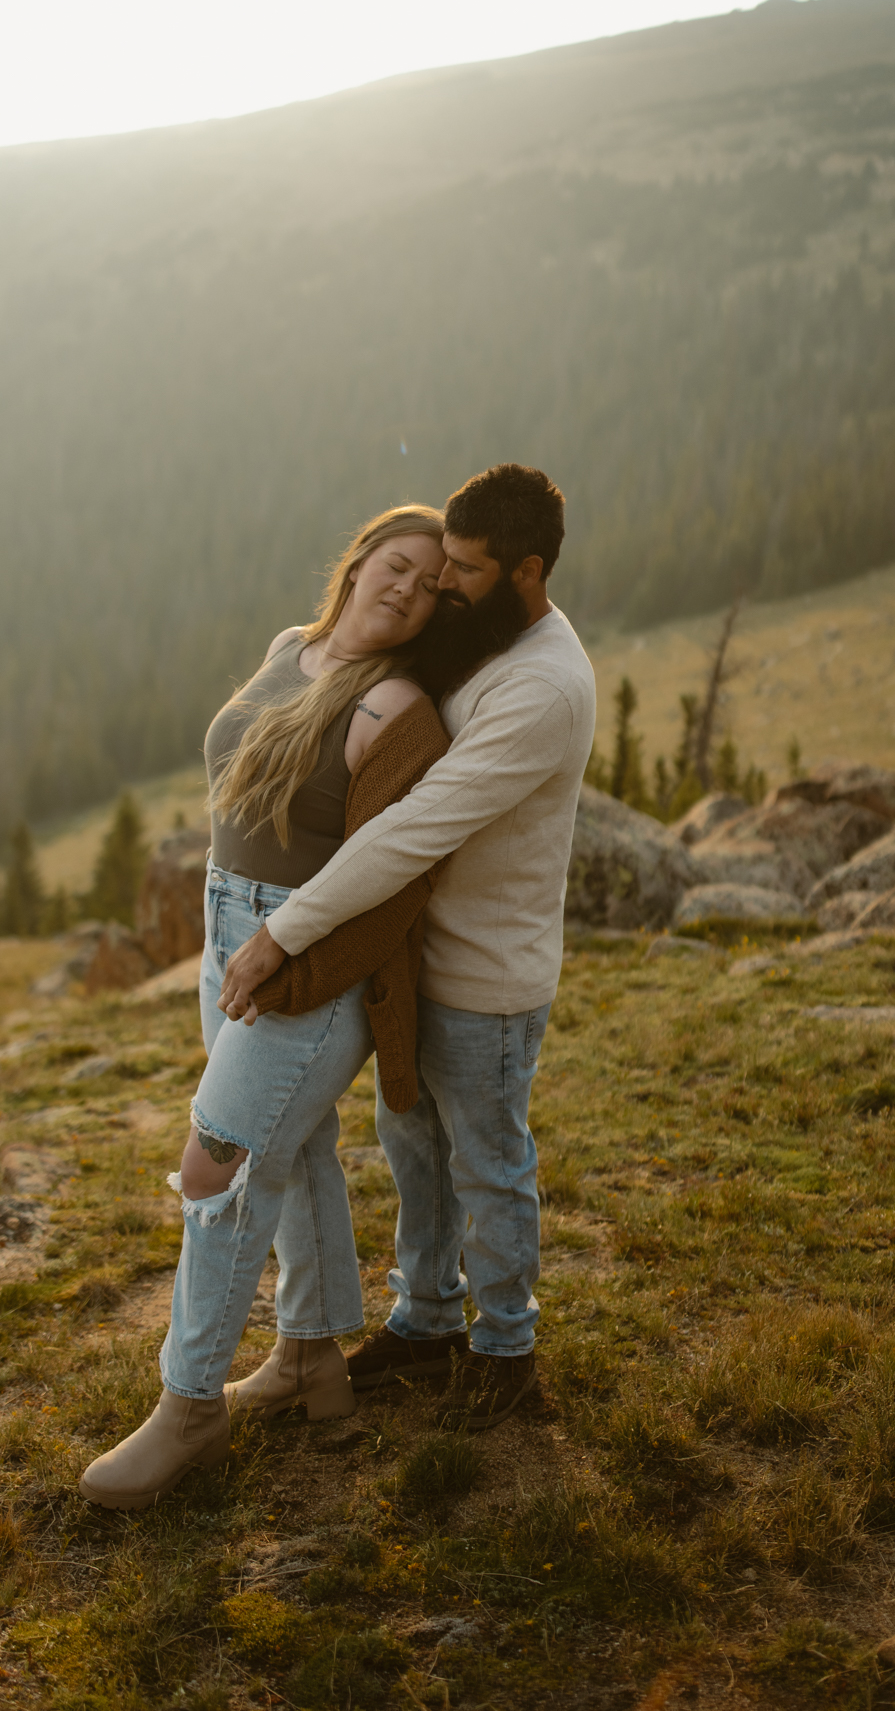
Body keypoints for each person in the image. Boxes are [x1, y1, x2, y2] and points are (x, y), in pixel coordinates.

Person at [79, 504, 454, 1511]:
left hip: (303, 955)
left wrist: (285, 962)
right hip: (225, 925)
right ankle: (308, 1360)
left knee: (221, 1163)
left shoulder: (398, 711)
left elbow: (392, 884)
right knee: (296, 1150)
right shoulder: (290, 648)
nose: (409, 589)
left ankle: (189, 1409)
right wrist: (231, 941)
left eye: (431, 587)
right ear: (362, 558)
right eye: (399, 564)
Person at [218, 464, 597, 1433]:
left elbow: (413, 829)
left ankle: (507, 1354)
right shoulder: (482, 638)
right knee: (413, 1147)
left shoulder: (543, 686)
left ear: (525, 571)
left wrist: (283, 932)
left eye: (463, 570)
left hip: (486, 976)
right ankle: (427, 1322)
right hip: (417, 959)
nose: (443, 588)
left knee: (487, 1162)